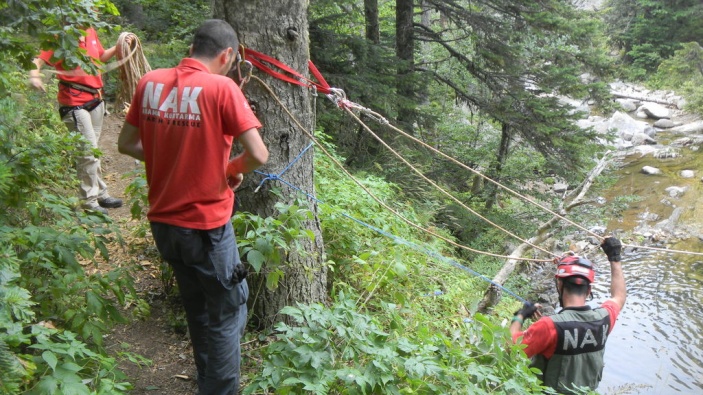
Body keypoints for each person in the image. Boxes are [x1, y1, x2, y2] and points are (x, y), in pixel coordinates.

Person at [117, 19, 268, 395]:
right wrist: (229, 169)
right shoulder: (222, 88)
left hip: (165, 225)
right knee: (228, 313)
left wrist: (169, 159)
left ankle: (207, 382)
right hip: (207, 229)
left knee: (200, 310)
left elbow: (127, 144)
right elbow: (258, 155)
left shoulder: (149, 82)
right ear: (227, 55)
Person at [510, 237, 626, 394]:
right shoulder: (604, 318)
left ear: (560, 285)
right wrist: (614, 258)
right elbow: (618, 296)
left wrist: (520, 316)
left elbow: (512, 350)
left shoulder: (548, 326)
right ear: (589, 290)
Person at [29, 26, 125, 214]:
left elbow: (101, 56)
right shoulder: (60, 34)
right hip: (74, 101)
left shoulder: (90, 30)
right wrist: (34, 76)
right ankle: (89, 202)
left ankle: (100, 194)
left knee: (93, 150)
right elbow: (38, 60)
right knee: (88, 152)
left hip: (95, 99)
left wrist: (120, 44)